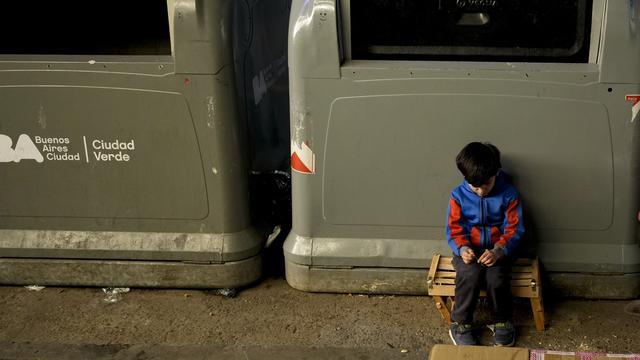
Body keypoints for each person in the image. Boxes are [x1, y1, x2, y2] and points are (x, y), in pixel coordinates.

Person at [445, 142, 524, 346]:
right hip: (468, 250)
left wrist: (499, 250)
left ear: (496, 172)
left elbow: (514, 229)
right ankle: (461, 323)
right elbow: (454, 229)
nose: (480, 192)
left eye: (486, 185)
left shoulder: (509, 194)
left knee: (497, 277)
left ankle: (502, 321)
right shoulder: (457, 196)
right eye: (475, 187)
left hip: (499, 250)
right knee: (468, 275)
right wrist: (462, 248)